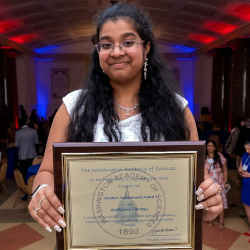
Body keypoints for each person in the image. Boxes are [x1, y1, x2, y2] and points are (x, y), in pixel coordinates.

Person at [28, 3, 223, 234]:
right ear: (98, 51)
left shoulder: (177, 110)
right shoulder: (73, 107)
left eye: (128, 42)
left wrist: (210, 201)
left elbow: (200, 182)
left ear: (147, 47)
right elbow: (47, 171)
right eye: (106, 44)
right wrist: (41, 190)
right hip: (90, 240)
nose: (116, 52)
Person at [204, 140, 228, 228]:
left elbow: (225, 170)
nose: (210, 147)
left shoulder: (220, 156)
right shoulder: (204, 157)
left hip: (219, 184)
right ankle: (212, 219)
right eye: (208, 146)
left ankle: (221, 222)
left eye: (211, 146)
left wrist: (225, 181)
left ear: (214, 147)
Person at [238, 141, 250, 242]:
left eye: (249, 149)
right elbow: (240, 167)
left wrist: (249, 175)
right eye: (246, 149)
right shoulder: (245, 155)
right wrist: (240, 170)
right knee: (246, 206)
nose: (247, 151)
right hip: (245, 185)